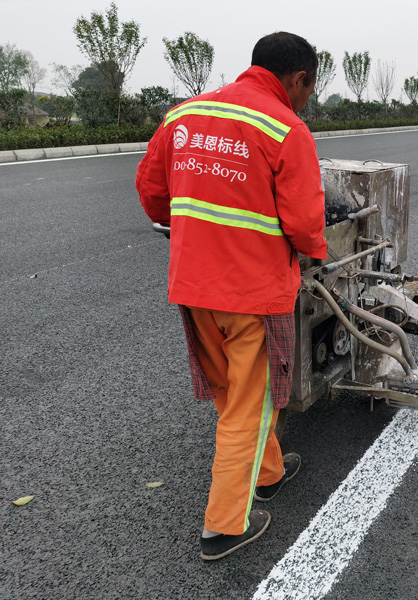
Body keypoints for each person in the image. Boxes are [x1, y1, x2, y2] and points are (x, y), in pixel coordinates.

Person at [136, 31, 327, 559]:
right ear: (298, 79)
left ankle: (267, 472)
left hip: (195, 288)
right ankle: (223, 527)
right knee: (248, 402)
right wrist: (315, 253)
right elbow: (308, 224)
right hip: (253, 294)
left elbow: (154, 196)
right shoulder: (286, 129)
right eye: (310, 88)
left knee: (232, 392)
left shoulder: (183, 116)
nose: (307, 98)